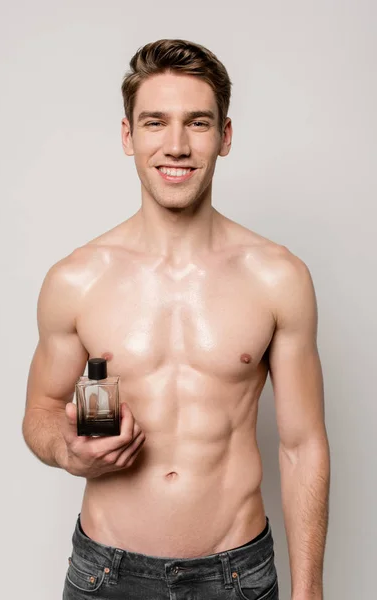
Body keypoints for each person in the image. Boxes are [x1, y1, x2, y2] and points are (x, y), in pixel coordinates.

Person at [22, 38, 330, 600]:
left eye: (198, 123)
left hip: (236, 575)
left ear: (225, 136)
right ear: (128, 136)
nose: (177, 145)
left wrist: (310, 593)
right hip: (105, 575)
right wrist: (68, 450)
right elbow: (40, 413)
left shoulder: (278, 277)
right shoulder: (76, 279)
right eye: (156, 122)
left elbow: (302, 445)